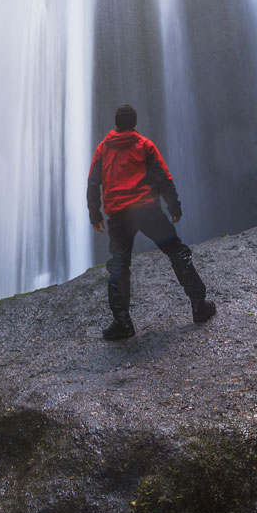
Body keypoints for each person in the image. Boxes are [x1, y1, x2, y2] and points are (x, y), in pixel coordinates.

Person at [87, 104, 216, 340]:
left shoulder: (104, 149)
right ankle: (199, 305)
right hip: (147, 210)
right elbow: (162, 176)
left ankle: (122, 322)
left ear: (116, 124)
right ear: (134, 123)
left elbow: (93, 182)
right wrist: (173, 206)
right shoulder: (145, 145)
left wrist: (94, 214)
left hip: (118, 215)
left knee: (119, 265)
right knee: (176, 252)